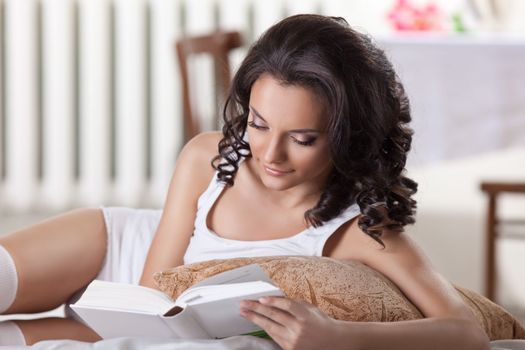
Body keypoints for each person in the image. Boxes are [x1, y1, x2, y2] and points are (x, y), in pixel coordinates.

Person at [0, 14, 489, 349]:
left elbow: (466, 332)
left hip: (162, 321)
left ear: (348, 136)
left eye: (302, 138)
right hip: (118, 255)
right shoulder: (206, 157)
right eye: (257, 124)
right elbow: (152, 289)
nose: (269, 156)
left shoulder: (358, 229)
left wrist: (338, 337)